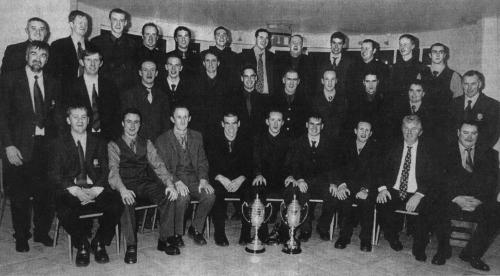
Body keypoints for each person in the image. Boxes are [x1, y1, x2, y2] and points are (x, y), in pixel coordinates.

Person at [0, 41, 61, 252]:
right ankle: (21, 235)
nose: (38, 58)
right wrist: (8, 145)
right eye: (33, 53)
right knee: (20, 194)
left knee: (46, 193)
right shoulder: (10, 79)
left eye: (43, 55)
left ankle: (42, 232)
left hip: (46, 147)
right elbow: (2, 116)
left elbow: (57, 117)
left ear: (47, 59)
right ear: (26, 56)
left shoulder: (53, 82)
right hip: (18, 147)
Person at [49, 105, 122, 267]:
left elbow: (105, 170)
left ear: (89, 120)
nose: (80, 121)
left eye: (84, 117)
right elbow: (54, 174)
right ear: (68, 120)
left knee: (116, 204)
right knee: (64, 207)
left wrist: (95, 190)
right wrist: (75, 190)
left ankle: (99, 242)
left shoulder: (99, 142)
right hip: (71, 188)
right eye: (76, 117)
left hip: (94, 186)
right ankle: (82, 244)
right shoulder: (58, 143)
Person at [108, 108, 179, 263]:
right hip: (124, 185)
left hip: (143, 183)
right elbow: (113, 172)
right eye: (128, 122)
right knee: (126, 202)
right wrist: (122, 190)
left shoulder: (146, 143)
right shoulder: (114, 145)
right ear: (122, 123)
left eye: (136, 122)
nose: (132, 126)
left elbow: (159, 165)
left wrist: (169, 184)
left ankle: (164, 240)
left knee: (168, 196)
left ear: (140, 125)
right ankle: (131, 246)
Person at [434, 122, 499, 270]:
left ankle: (472, 254)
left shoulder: (490, 154)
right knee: (435, 204)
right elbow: (438, 181)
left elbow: (493, 183)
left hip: (477, 200)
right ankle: (443, 250)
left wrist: (478, 200)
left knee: (496, 212)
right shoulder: (444, 152)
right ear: (458, 133)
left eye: (474, 133)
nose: (469, 137)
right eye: (465, 132)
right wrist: (456, 198)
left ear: (478, 135)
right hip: (452, 199)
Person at [375, 115, 439, 262]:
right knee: (381, 202)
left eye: (414, 129)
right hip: (394, 189)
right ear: (401, 129)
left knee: (428, 207)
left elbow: (434, 177)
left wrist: (419, 194)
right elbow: (378, 169)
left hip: (417, 191)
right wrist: (383, 188)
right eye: (406, 128)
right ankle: (392, 237)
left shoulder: (429, 151)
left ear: (420, 132)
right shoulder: (391, 146)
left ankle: (419, 247)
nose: (409, 133)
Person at [155, 105, 215, 247]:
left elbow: (202, 161)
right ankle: (176, 233)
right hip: (173, 178)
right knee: (182, 197)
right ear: (172, 119)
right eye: (178, 117)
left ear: (189, 119)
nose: (182, 121)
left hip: (194, 178)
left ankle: (195, 229)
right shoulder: (162, 140)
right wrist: (176, 182)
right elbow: (163, 168)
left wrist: (203, 179)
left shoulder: (197, 136)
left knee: (210, 195)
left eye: (185, 117)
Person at [284, 113, 335, 242]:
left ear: (322, 126)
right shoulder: (298, 142)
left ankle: (323, 227)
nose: (314, 127)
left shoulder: (329, 144)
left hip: (321, 181)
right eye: (311, 124)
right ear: (306, 125)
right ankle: (305, 229)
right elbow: (293, 164)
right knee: (302, 192)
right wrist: (299, 179)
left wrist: (333, 183)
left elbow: (333, 166)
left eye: (318, 125)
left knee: (332, 194)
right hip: (303, 180)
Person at [207, 111, 252, 246]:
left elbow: (251, 164)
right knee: (216, 192)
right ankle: (219, 233)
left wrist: (241, 178)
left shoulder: (246, 141)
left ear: (239, 124)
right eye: (227, 123)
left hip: (240, 180)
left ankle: (245, 233)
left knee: (248, 192)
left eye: (234, 123)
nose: (231, 127)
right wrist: (220, 177)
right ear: (222, 124)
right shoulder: (213, 141)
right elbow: (208, 165)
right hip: (221, 180)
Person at [332, 121, 378, 251]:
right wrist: (341, 185)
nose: (363, 133)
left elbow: (375, 173)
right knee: (345, 199)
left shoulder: (375, 149)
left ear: (370, 134)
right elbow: (338, 168)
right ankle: (344, 236)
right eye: (361, 129)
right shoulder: (345, 146)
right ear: (355, 131)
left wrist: (365, 189)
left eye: (367, 130)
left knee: (367, 202)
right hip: (348, 185)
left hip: (367, 187)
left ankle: (365, 239)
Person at [252, 109, 292, 244]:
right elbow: (255, 159)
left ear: (282, 123)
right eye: (273, 120)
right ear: (267, 121)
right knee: (258, 189)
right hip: (264, 178)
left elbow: (289, 163)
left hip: (281, 180)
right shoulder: (259, 138)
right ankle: (261, 233)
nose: (275, 123)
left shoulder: (287, 140)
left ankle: (285, 232)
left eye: (279, 120)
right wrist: (258, 174)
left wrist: (290, 176)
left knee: (291, 190)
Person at [69, 45, 121, 141]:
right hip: (81, 139)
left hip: (106, 140)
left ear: (101, 63)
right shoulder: (72, 87)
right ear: (82, 62)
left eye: (96, 60)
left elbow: (116, 116)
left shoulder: (110, 86)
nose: (92, 64)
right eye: (88, 60)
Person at [48, 10, 93, 103]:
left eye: (85, 23)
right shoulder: (58, 45)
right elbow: (52, 73)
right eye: (80, 22)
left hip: (87, 96)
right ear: (71, 24)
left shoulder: (93, 47)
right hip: (64, 96)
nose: (83, 26)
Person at [121, 60, 170, 141]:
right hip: (137, 144)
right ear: (140, 73)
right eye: (145, 70)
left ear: (156, 73)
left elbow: (166, 125)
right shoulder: (130, 95)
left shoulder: (163, 96)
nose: (149, 73)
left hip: (158, 144)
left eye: (152, 70)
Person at [90, 8, 137, 92]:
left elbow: (134, 73)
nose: (118, 24)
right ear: (109, 21)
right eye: (115, 20)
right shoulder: (96, 42)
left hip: (126, 93)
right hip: (103, 91)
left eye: (121, 20)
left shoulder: (133, 45)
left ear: (125, 23)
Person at [449, 70, 499, 148]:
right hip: (454, 153)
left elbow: (492, 135)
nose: (469, 88)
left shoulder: (493, 105)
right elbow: (448, 130)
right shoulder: (452, 104)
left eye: (473, 84)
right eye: (466, 84)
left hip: (480, 154)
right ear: (462, 85)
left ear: (480, 84)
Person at [190, 50, 232, 142]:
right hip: (200, 130)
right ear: (204, 63)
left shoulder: (226, 84)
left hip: (219, 131)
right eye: (208, 61)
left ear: (218, 63)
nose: (210, 64)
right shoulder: (195, 83)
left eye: (213, 60)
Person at [229, 64, 270, 138]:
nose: (249, 79)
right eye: (246, 77)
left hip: (258, 141)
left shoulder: (264, 100)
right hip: (239, 140)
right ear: (242, 78)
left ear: (256, 78)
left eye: (252, 76)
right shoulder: (233, 98)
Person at [346, 72, 387, 143]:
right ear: (363, 82)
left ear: (378, 82)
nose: (371, 85)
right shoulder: (355, 100)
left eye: (373, 81)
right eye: (368, 81)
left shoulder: (385, 99)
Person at [421, 43, 463, 107]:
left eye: (441, 52)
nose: (437, 54)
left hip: (446, 116)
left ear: (444, 55)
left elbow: (459, 102)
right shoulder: (421, 74)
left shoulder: (454, 76)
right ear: (430, 55)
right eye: (434, 52)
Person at [310, 69, 347, 142]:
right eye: (327, 79)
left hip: (339, 141)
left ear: (336, 81)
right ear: (322, 81)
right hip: (320, 142)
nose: (329, 83)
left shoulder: (344, 99)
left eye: (332, 79)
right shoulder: (314, 99)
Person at [272, 69, 309, 139]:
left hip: (296, 141)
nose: (291, 83)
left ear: (298, 82)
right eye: (289, 79)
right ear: (283, 80)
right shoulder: (273, 99)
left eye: (294, 80)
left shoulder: (305, 102)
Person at [389, 34, 425, 106]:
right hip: (395, 105)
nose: (402, 47)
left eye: (405, 44)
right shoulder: (393, 67)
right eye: (400, 44)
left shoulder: (421, 67)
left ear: (412, 46)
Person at [275, 34, 315, 98]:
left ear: (302, 46)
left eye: (299, 43)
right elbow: (276, 81)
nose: (296, 45)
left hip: (303, 98)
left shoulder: (309, 61)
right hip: (283, 97)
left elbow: (311, 83)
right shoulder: (279, 60)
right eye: (293, 42)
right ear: (289, 45)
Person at [239, 28, 275, 95]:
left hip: (269, 97)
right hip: (250, 96)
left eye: (266, 38)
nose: (264, 41)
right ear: (255, 39)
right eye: (261, 37)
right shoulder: (243, 56)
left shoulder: (273, 57)